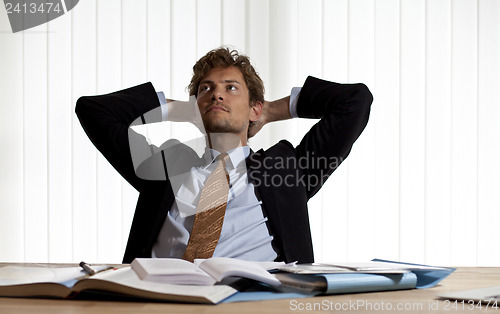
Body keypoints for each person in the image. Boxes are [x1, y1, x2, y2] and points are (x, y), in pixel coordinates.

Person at [76, 47, 372, 264]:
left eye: (231, 88)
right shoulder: (162, 168)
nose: (217, 95)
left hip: (257, 303)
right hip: (160, 302)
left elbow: (354, 101)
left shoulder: (289, 170)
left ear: (254, 107)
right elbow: (94, 111)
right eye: (207, 89)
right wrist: (181, 109)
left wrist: (270, 110)